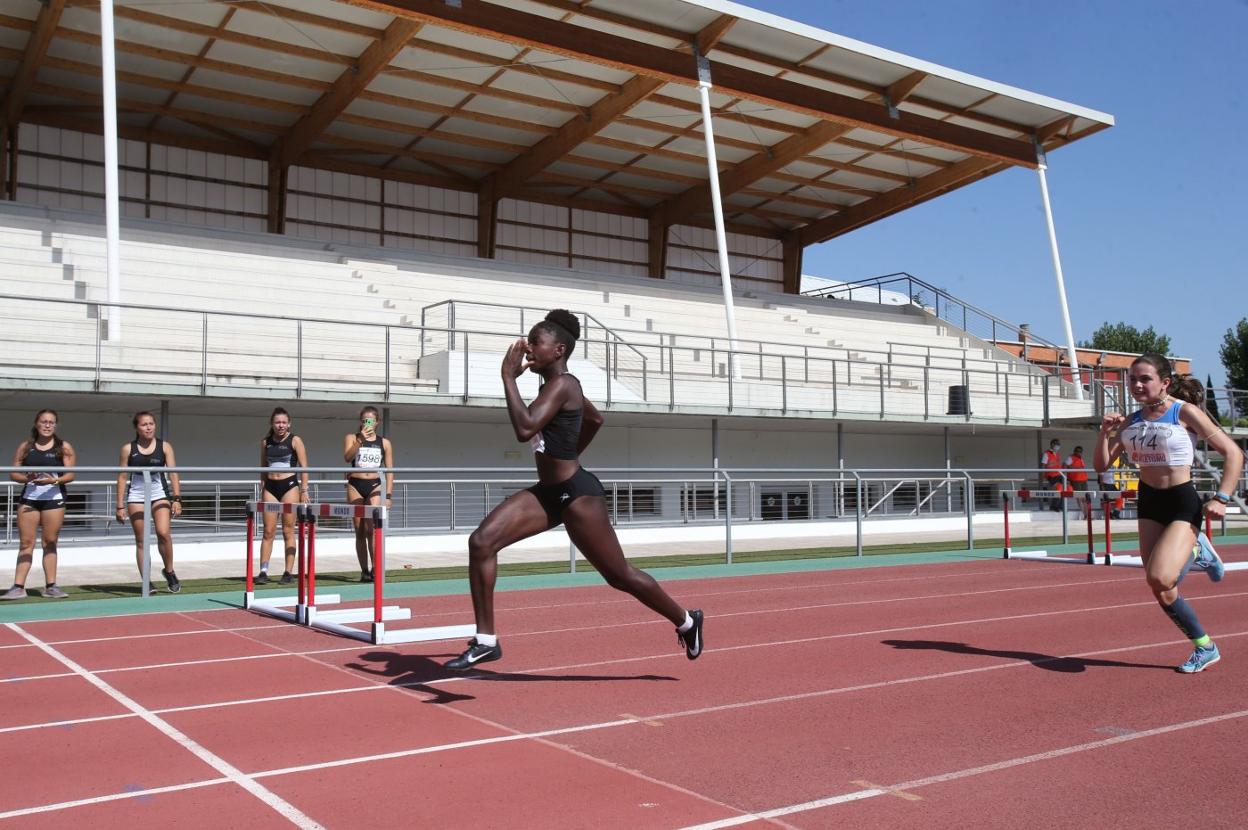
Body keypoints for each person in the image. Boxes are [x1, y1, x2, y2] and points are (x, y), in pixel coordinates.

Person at [444, 309, 703, 670]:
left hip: (577, 495)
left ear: (559, 349)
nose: (529, 348)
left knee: (620, 576)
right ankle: (487, 640)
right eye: (529, 341)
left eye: (536, 342)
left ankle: (687, 620)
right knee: (482, 541)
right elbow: (594, 418)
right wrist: (567, 452)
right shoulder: (554, 387)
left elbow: (524, 429)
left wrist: (507, 376)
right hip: (548, 493)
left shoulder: (565, 384)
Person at [1095, 353, 1243, 673]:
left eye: (1144, 379)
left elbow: (1234, 453)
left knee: (1160, 575)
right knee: (1161, 588)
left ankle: (1196, 546)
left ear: (1164, 382)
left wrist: (1221, 497)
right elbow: (1102, 466)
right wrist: (1104, 433)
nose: (1136, 385)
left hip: (1181, 500)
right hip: (1148, 501)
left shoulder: (1183, 412)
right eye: (1132, 379)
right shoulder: (1132, 421)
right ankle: (1205, 646)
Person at [3, 410, 76, 600]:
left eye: (51, 422)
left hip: (54, 500)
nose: (47, 425)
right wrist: (29, 477)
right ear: (36, 424)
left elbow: (70, 475)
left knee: (50, 542)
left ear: (56, 425)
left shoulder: (63, 447)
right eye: (44, 422)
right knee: (26, 543)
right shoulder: (26, 447)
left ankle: (51, 586)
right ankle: (18, 587)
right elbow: (13, 473)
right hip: (29, 499)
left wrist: (54, 481)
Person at [115, 411, 182, 593]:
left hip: (159, 493)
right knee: (141, 540)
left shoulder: (165, 447)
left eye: (151, 423)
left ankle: (169, 571)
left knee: (163, 533)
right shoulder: (128, 449)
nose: (148, 427)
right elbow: (121, 477)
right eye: (144, 424)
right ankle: (147, 581)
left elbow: (174, 473)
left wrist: (176, 498)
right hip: (136, 495)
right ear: (137, 427)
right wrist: (119, 505)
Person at [256, 407, 308, 585]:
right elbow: (262, 466)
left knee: (288, 530)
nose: (281, 425)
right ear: (272, 423)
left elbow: (304, 467)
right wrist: (262, 486)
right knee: (268, 531)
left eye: (284, 422)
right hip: (270, 488)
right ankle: (263, 571)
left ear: (289, 424)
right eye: (277, 422)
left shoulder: (295, 440)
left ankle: (288, 572)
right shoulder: (266, 442)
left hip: (289, 487)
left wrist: (304, 490)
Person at [343, 406, 393, 582]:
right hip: (355, 484)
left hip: (374, 485)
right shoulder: (352, 437)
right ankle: (364, 570)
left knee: (371, 528)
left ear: (377, 422)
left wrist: (388, 496)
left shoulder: (384, 443)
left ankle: (375, 568)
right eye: (364, 420)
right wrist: (360, 440)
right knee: (359, 530)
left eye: (370, 420)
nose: (367, 423)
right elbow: (347, 458)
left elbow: (390, 470)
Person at [1040, 438, 1063, 511]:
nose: (1058, 446)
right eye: (1057, 444)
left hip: (1059, 475)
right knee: (1058, 489)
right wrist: (1043, 476)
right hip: (1051, 475)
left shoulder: (1057, 454)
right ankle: (1054, 506)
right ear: (1052, 444)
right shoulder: (1046, 454)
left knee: (1063, 490)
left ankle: (1060, 506)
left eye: (1059, 444)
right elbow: (1043, 465)